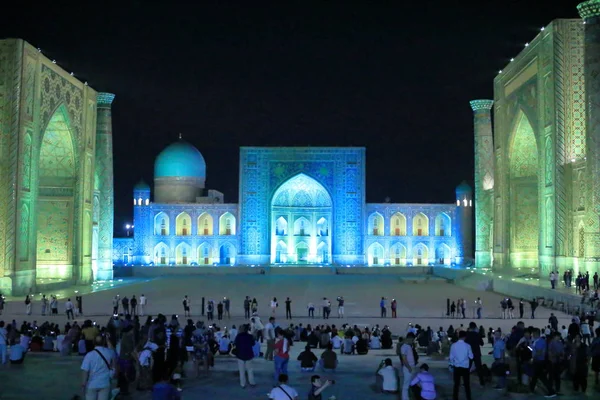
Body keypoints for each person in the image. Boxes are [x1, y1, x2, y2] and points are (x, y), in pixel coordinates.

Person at [81, 334, 116, 400]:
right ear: (104, 342)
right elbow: (113, 351)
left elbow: (85, 371)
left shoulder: (89, 355)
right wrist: (108, 340)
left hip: (92, 384)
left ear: (93, 342)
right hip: (105, 383)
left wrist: (83, 384)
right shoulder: (109, 352)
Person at [449, 330, 473, 400]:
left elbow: (451, 357)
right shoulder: (468, 346)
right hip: (465, 367)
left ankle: (455, 398)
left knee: (456, 384)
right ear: (465, 337)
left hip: (456, 367)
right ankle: (468, 398)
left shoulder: (453, 345)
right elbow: (471, 356)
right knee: (466, 385)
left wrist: (451, 364)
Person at [234, 324, 256, 388]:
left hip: (240, 354)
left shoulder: (238, 336)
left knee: (242, 371)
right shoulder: (250, 336)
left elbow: (236, 344)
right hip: (249, 354)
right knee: (250, 370)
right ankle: (252, 382)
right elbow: (253, 344)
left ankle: (243, 384)